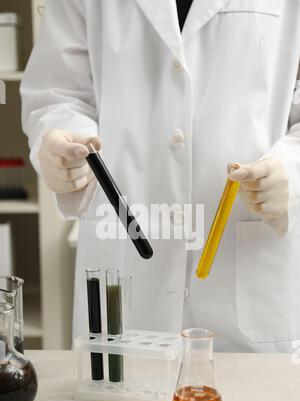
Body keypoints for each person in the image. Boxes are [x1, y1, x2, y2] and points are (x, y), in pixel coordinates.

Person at [21, 0, 300, 352]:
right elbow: (56, 92)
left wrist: (292, 171)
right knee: (116, 396)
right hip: (126, 266)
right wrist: (63, 140)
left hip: (249, 273)